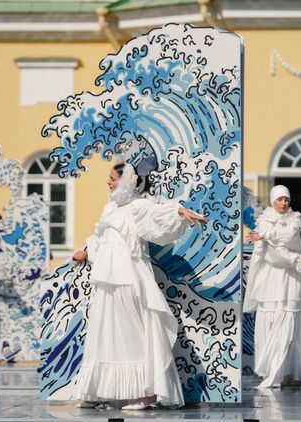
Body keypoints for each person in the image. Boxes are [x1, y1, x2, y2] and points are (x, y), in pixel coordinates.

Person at [71, 161, 206, 410]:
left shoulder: (138, 206)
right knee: (104, 332)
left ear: (126, 181)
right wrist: (85, 250)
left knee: (133, 333)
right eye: (109, 178)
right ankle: (98, 389)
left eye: (113, 178)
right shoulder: (109, 209)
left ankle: (146, 391)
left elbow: (159, 215)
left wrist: (180, 212)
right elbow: (101, 238)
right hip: (106, 277)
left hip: (129, 276)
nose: (109, 183)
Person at [243, 185, 301, 388]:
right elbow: (271, 254)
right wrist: (298, 258)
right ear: (273, 201)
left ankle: (285, 370)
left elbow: (289, 236)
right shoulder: (264, 220)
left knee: (288, 321)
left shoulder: (295, 220)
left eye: (286, 199)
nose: (284, 203)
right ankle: (273, 370)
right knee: (271, 322)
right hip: (271, 280)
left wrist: (266, 236)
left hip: (290, 280)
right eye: (280, 199)